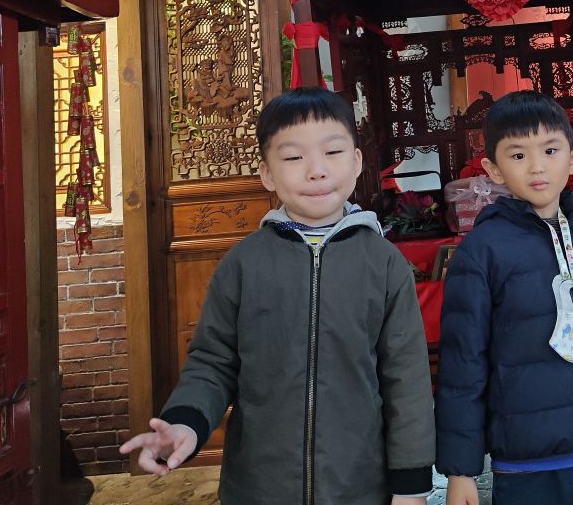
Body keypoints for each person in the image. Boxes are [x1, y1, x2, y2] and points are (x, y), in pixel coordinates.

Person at [120, 87, 435, 504]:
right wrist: (186, 422)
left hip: (358, 485)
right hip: (259, 487)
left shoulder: (383, 263)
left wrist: (411, 485)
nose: (316, 171)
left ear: (357, 162)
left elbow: (406, 379)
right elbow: (213, 362)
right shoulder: (243, 264)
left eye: (333, 152)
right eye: (293, 157)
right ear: (267, 173)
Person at [436, 90, 573, 505]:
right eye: (517, 155)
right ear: (493, 169)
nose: (537, 166)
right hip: (528, 461)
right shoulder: (482, 249)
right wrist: (461, 470)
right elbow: (462, 363)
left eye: (550, 150)